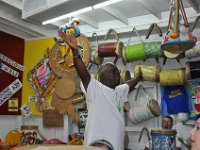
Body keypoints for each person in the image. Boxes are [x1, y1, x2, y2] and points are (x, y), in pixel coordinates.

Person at [58, 30, 142, 150]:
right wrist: (75, 51)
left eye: (118, 72)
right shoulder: (96, 89)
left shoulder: (119, 91)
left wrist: (138, 77)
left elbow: (129, 84)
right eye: (113, 71)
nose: (117, 74)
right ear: (102, 76)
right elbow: (84, 74)